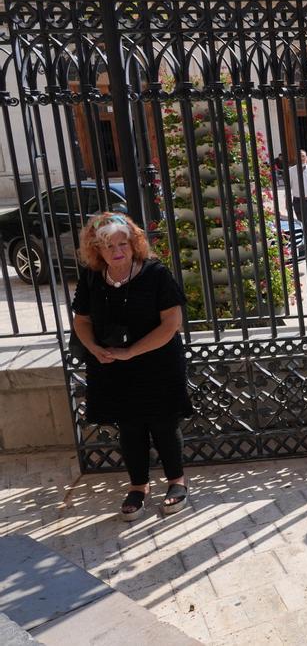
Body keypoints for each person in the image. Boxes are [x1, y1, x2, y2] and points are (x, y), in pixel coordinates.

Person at [71, 212, 191, 521]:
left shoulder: (156, 273)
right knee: (130, 427)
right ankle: (139, 486)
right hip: (111, 364)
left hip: (157, 361)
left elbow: (171, 324)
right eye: (108, 246)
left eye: (122, 243)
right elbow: (82, 320)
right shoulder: (92, 279)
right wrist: (94, 348)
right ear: (96, 250)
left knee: (163, 423)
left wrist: (132, 351)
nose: (117, 251)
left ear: (133, 243)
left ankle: (176, 482)